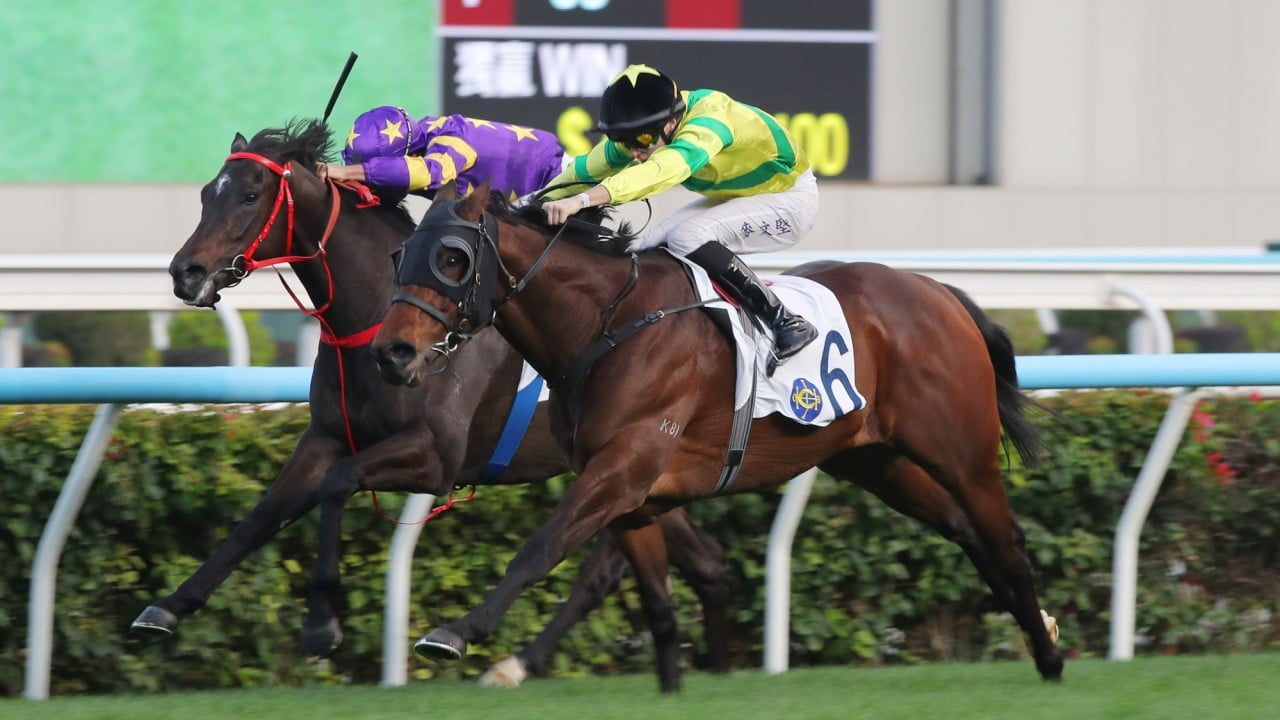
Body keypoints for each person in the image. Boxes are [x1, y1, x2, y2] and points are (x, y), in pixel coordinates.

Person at [539, 64, 819, 375]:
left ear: (672, 123)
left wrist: (583, 201)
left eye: (642, 140)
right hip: (744, 196)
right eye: (624, 140)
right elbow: (582, 172)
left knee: (688, 237)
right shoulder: (645, 132)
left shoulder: (711, 121)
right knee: (646, 248)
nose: (634, 151)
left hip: (790, 199)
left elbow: (661, 171)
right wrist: (529, 204)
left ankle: (784, 320)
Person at [319, 105, 569, 201]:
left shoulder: (451, 140)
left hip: (558, 185)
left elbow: (429, 174)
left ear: (409, 158)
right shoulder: (420, 136)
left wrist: (345, 171)